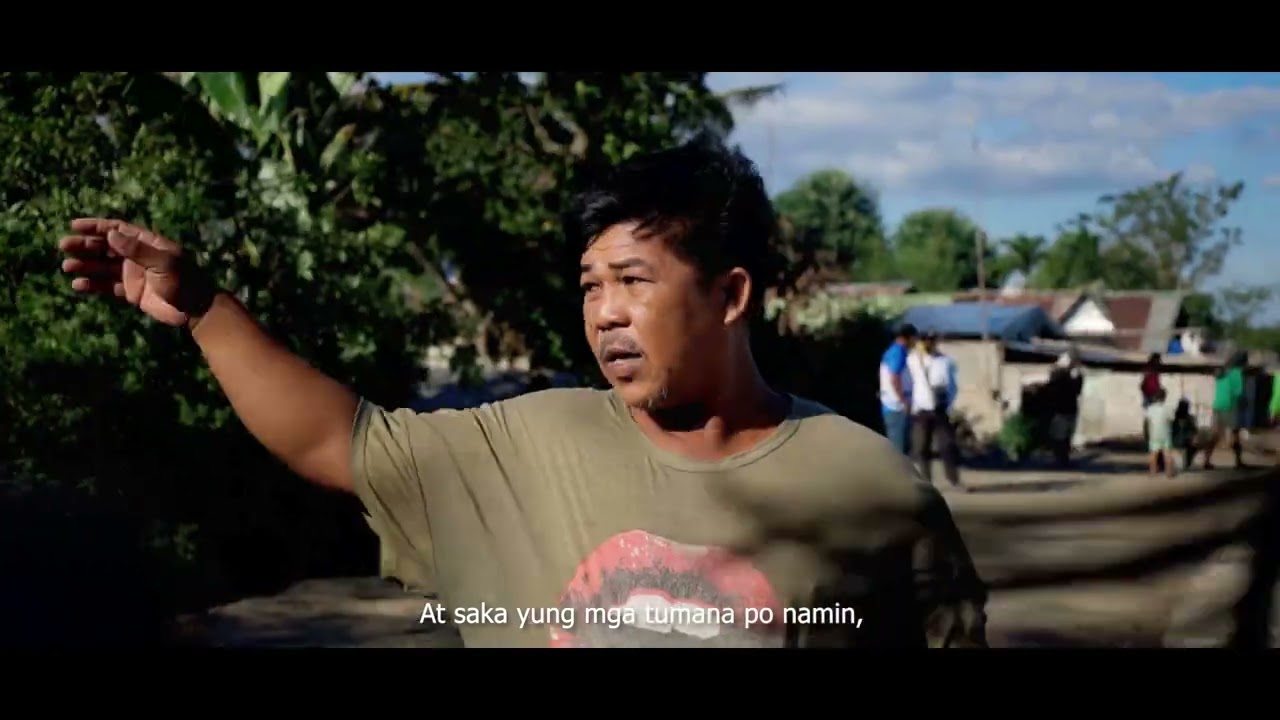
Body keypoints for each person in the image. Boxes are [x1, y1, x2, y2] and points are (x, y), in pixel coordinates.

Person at [57, 137, 986, 649]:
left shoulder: (869, 488)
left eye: (634, 280)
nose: (605, 313)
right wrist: (205, 309)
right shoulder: (523, 443)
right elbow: (336, 440)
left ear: (731, 294)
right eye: (590, 286)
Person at [906, 331, 962, 489]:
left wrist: (949, 404)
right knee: (921, 447)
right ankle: (925, 481)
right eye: (924, 341)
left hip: (940, 409)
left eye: (930, 340)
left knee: (947, 445)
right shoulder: (913, 360)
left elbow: (952, 386)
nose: (927, 344)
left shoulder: (946, 361)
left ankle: (953, 479)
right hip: (921, 409)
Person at [879, 323, 917, 456]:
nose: (915, 341)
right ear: (908, 337)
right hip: (895, 405)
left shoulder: (895, 351)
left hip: (893, 403)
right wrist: (903, 400)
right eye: (914, 338)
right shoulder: (898, 352)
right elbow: (895, 377)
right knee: (898, 446)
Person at [1205, 353, 1246, 470]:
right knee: (1235, 433)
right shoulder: (1236, 373)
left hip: (1218, 405)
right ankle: (1238, 461)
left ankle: (1206, 460)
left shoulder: (1222, 372)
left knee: (1215, 434)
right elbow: (1238, 393)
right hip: (1230, 406)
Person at [1044, 351, 1084, 466]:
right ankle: (1059, 459)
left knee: (1065, 436)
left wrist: (1078, 377)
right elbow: (1058, 391)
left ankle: (1063, 459)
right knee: (1060, 436)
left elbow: (1077, 391)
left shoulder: (1069, 374)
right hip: (1060, 410)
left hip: (1068, 409)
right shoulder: (1057, 374)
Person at [1144, 387, 1176, 477]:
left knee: (1153, 454)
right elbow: (1171, 419)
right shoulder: (1168, 408)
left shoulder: (1150, 408)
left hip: (1154, 434)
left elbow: (1147, 421)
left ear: (1155, 397)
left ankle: (1152, 472)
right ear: (1164, 397)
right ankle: (1169, 472)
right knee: (1167, 453)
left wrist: (1147, 433)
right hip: (1165, 433)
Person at [1171, 397, 1199, 471]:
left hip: (1178, 440)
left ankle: (1187, 462)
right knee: (1193, 445)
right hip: (1181, 440)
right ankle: (1188, 462)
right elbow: (1194, 430)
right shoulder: (1188, 418)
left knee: (1192, 444)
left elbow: (1194, 430)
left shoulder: (1174, 417)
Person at [1139, 353, 1161, 443]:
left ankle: (1150, 435)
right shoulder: (1150, 368)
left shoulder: (1154, 368)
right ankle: (1148, 435)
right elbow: (1146, 379)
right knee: (1150, 415)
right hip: (1150, 394)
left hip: (1151, 393)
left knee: (1151, 415)